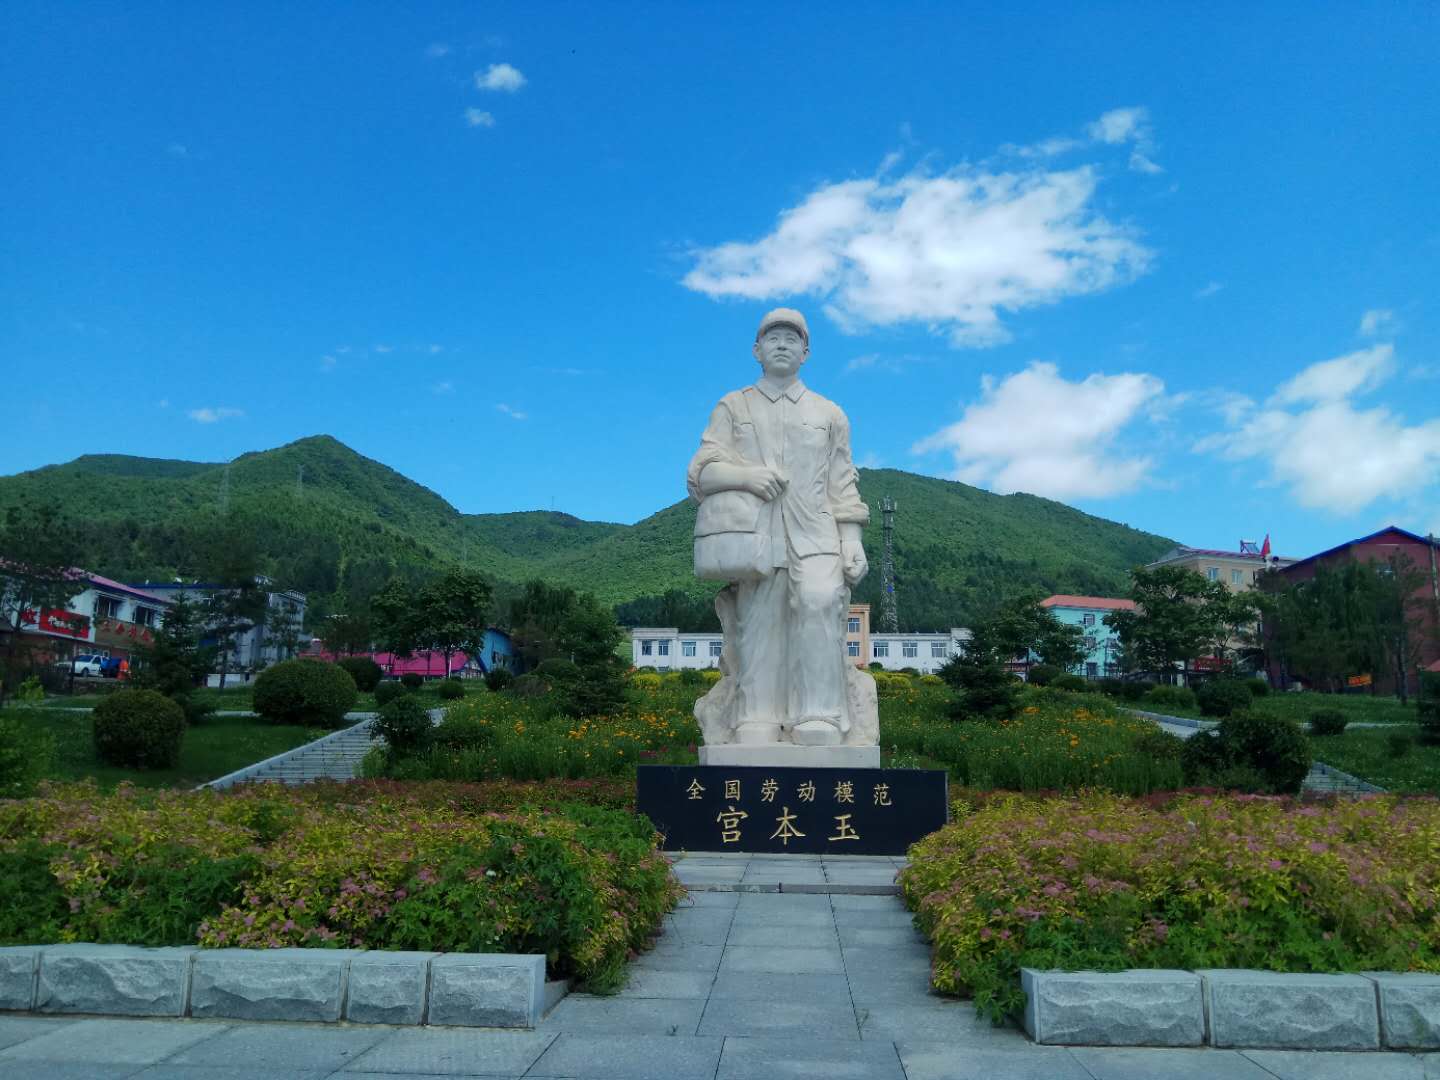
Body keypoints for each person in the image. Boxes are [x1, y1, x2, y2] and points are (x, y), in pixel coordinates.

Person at [688, 308, 871, 747]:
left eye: (792, 338)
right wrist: (745, 476)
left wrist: (851, 539)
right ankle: (756, 713)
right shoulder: (733, 406)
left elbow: (842, 480)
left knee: (819, 604)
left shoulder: (830, 413)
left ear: (806, 352)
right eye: (773, 338)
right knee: (760, 619)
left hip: (817, 531)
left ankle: (820, 713)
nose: (782, 345)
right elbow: (702, 473)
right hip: (757, 535)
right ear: (757, 350)